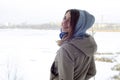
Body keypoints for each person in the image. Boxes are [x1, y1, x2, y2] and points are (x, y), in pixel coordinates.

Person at [50, 9, 97, 80]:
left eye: (70, 21)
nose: (64, 22)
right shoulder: (86, 44)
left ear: (79, 25)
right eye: (64, 18)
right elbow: (92, 72)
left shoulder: (66, 50)